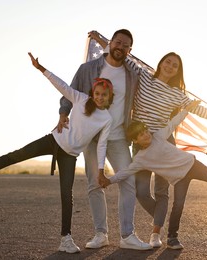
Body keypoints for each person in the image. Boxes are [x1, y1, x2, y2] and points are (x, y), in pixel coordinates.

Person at [0, 52, 115, 254]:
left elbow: (101, 146)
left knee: (67, 195)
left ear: (109, 97)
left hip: (70, 156)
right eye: (97, 93)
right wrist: (41, 69)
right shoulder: (81, 99)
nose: (99, 97)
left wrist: (100, 170)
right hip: (53, 140)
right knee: (16, 155)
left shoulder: (106, 119)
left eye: (103, 95)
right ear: (93, 92)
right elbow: (62, 86)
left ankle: (66, 239)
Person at [89, 31, 207, 248]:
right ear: (161, 63)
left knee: (161, 191)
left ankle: (156, 234)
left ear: (178, 71)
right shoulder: (144, 76)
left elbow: (200, 111)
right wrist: (101, 40)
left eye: (175, 65)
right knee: (140, 191)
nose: (170, 66)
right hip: (141, 144)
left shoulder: (178, 94)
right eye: (168, 62)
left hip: (165, 144)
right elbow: (125, 57)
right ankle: (161, 217)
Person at [98, 101, 207, 250]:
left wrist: (187, 109)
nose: (146, 134)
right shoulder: (140, 160)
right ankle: (172, 238)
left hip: (193, 165)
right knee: (178, 205)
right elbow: (125, 172)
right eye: (141, 134)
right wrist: (109, 180)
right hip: (179, 179)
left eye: (145, 130)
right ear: (135, 140)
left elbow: (173, 122)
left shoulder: (159, 136)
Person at [57, 29, 151, 250]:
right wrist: (63, 113)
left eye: (125, 45)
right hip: (92, 136)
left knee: (128, 181)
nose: (120, 47)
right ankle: (101, 234)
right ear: (111, 43)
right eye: (117, 42)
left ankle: (127, 235)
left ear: (130, 50)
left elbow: (151, 84)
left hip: (118, 137)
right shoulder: (87, 69)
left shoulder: (132, 73)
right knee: (94, 185)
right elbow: (69, 92)